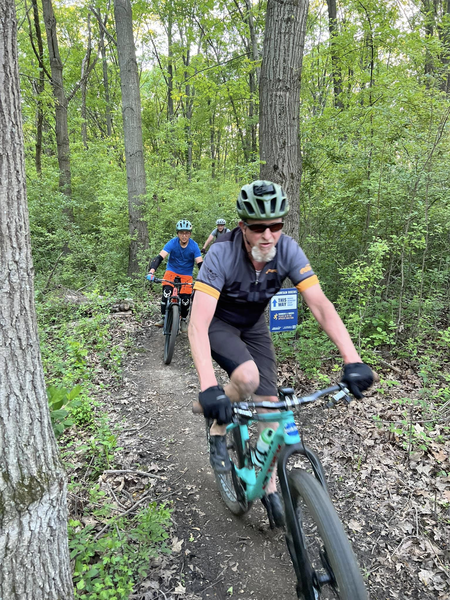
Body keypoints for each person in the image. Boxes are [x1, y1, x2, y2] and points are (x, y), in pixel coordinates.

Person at [188, 180, 373, 526]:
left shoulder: (288, 251)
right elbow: (197, 324)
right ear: (243, 227)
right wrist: (209, 385)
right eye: (258, 227)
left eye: (276, 225)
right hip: (219, 322)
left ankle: (269, 485)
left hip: (254, 326)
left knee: (272, 412)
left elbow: (319, 305)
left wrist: (353, 359)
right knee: (246, 377)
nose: (268, 235)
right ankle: (216, 424)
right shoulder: (221, 254)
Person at [148, 220, 203, 333]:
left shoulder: (194, 246)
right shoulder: (172, 243)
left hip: (186, 274)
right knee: (166, 292)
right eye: (181, 233)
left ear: (190, 234)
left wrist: (204, 279)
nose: (184, 236)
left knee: (185, 300)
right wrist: (151, 271)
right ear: (177, 234)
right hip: (171, 271)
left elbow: (200, 264)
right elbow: (159, 257)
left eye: (186, 233)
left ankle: (183, 320)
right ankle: (163, 317)